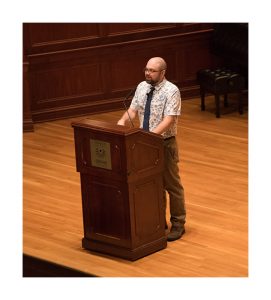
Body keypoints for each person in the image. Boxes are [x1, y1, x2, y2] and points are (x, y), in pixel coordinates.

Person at [117, 57, 186, 241]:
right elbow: (133, 110)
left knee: (172, 185)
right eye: (146, 69)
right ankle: (157, 220)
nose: (148, 73)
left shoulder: (172, 91)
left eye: (152, 71)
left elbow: (169, 119)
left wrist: (150, 137)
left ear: (163, 73)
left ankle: (178, 223)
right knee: (153, 184)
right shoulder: (142, 86)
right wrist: (122, 121)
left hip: (164, 143)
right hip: (144, 143)